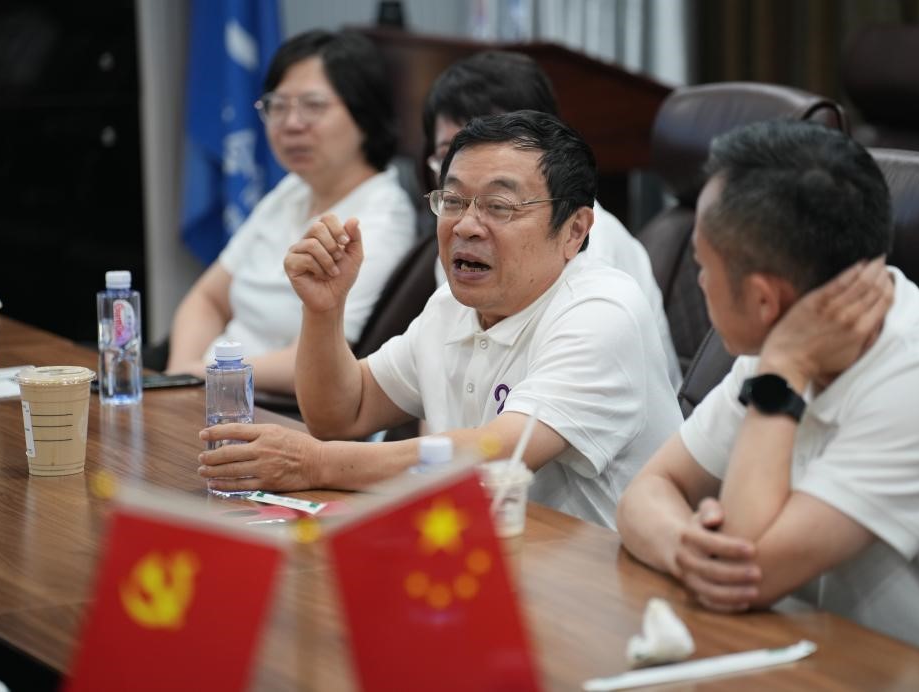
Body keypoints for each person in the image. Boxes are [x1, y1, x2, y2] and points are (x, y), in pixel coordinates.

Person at [616, 120, 919, 676]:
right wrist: (684, 546)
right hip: (816, 662)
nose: (697, 282)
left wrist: (783, 372)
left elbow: (747, 575)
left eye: (702, 265)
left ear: (764, 299)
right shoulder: (780, 345)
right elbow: (646, 491)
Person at [198, 111, 682, 528]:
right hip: (484, 554)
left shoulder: (602, 310)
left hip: (598, 584)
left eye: (499, 207)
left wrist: (314, 463)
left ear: (574, 231)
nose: (466, 225)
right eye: (452, 201)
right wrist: (324, 310)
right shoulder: (452, 305)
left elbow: (496, 453)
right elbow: (343, 412)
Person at [164, 30, 416, 393]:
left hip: (268, 405)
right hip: (203, 387)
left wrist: (202, 375)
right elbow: (208, 299)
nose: (291, 124)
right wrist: (178, 376)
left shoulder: (381, 218)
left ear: (365, 114)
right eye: (278, 106)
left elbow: (319, 362)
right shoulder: (293, 189)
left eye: (313, 105)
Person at [421, 50, 682, 390]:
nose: (466, 225)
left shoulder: (587, 260)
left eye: (497, 143)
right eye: (449, 154)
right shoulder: (463, 243)